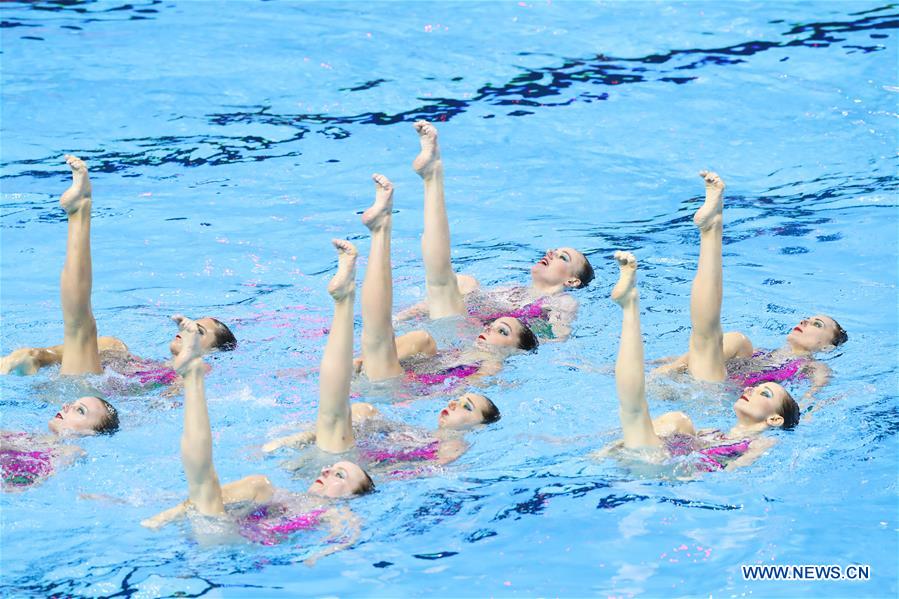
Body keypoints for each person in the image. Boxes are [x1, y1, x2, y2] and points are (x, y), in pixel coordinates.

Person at [142, 246, 372, 558]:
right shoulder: (279, 493)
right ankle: (193, 374)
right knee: (225, 483)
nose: (328, 471)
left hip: (228, 542)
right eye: (333, 469)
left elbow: (346, 533)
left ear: (350, 496)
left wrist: (320, 555)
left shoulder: (335, 511)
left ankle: (193, 373)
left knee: (333, 421)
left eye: (340, 476)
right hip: (221, 530)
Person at [0, 156, 237, 385]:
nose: (186, 328)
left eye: (199, 332)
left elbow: (168, 404)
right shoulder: (142, 364)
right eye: (192, 322)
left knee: (81, 327)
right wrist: (38, 355)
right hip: (76, 385)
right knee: (111, 344)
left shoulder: (195, 371)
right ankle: (31, 359)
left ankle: (80, 211)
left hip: (90, 400)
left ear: (210, 353)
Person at [651, 171, 847, 397]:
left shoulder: (813, 367)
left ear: (827, 346)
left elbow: (813, 400)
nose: (805, 320)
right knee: (735, 343)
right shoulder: (759, 354)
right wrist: (653, 365)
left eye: (817, 324)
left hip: (715, 397)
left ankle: (713, 227)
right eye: (810, 318)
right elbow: (697, 353)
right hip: (687, 386)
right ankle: (713, 226)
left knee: (729, 338)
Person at [396, 120, 595, 341]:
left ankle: (433, 176)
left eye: (562, 257)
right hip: (462, 325)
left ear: (572, 281)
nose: (550, 252)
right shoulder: (512, 289)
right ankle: (399, 319)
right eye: (556, 250)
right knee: (464, 281)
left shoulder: (562, 302)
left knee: (454, 282)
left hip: (481, 341)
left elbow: (559, 338)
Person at [601, 250, 799, 471]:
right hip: (656, 460)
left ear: (774, 419)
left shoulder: (762, 441)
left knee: (636, 410)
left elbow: (730, 475)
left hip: (670, 472)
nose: (751, 389)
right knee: (672, 419)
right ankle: (630, 306)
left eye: (764, 393)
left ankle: (630, 306)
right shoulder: (712, 432)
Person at [351, 174, 538, 387]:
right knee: (421, 338)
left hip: (396, 388)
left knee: (400, 336)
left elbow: (457, 394)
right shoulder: (461, 351)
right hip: (387, 372)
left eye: (502, 331)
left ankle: (382, 229)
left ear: (517, 351)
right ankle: (384, 226)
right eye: (493, 326)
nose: (488, 329)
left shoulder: (491, 365)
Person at [263, 390, 502, 474]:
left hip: (360, 465)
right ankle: (295, 439)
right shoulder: (425, 434)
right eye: (457, 399)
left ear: (478, 426)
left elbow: (422, 472)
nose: (453, 404)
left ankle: (291, 443)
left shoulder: (454, 446)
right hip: (361, 454)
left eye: (466, 407)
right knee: (363, 410)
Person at [2, 394, 119, 490]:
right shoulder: (25, 436)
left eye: (80, 410)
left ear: (90, 432)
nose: (66, 406)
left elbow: (33, 486)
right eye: (72, 403)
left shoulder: (73, 452)